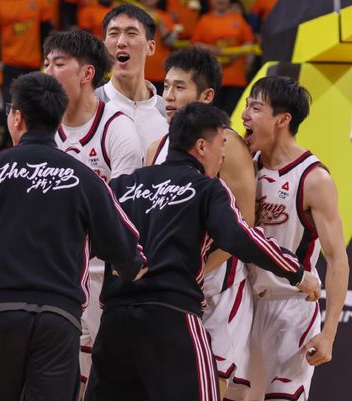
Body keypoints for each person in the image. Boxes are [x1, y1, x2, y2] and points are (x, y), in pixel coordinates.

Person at [0, 72, 147, 401]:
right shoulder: (85, 178)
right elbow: (126, 247)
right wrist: (129, 267)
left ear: (17, 117)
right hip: (59, 317)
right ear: (58, 120)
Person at [87, 102, 320, 401]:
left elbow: (86, 239)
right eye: (221, 144)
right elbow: (240, 236)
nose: (223, 155)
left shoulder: (121, 186)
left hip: (114, 323)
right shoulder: (208, 188)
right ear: (201, 146)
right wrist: (296, 272)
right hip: (172, 319)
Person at [146, 45, 256, 399]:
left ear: (207, 96)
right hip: (174, 286)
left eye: (179, 87)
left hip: (219, 286)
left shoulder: (228, 145)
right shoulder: (156, 147)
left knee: (210, 388)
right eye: (166, 86)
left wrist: (198, 270)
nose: (168, 96)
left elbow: (244, 227)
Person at [42, 29, 143, 386]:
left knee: (96, 380)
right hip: (52, 272)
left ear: (86, 73)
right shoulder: (41, 127)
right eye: (46, 63)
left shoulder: (117, 128)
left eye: (58, 64)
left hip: (102, 275)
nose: (47, 72)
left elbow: (123, 215)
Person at [241, 76, 349, 400]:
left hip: (291, 307)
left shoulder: (314, 178)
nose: (244, 115)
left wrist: (329, 334)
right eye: (246, 105)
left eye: (255, 108)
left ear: (282, 119)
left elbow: (337, 260)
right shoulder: (244, 167)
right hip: (244, 304)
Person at [95, 4, 168, 156]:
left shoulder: (168, 113)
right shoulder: (88, 107)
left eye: (131, 33)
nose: (121, 42)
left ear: (150, 47)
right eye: (114, 33)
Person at [0, 0, 54, 102]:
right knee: (11, 103)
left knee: (34, 103)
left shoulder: (40, 2)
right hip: (9, 64)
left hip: (33, 64)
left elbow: (46, 30)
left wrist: (46, 56)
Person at [191, 0, 254, 115]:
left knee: (236, 114)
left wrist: (235, 54)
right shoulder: (204, 20)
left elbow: (249, 42)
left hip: (236, 78)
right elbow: (196, 44)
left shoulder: (238, 19)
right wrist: (214, 50)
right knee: (212, 114)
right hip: (212, 78)